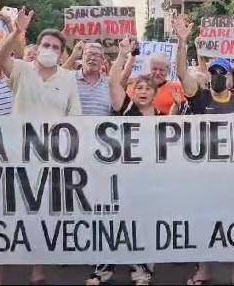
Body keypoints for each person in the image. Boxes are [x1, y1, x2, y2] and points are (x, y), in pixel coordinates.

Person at [0, 8, 81, 285]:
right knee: (6, 213)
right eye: (46, 45)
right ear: (38, 47)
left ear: (62, 53)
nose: (50, 49)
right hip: (16, 154)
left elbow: (74, 119)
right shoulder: (21, 70)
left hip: (50, 158)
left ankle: (37, 269)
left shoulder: (68, 79)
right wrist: (17, 31)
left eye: (56, 47)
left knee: (41, 214)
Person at [171, 15, 234, 285]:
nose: (216, 76)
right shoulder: (200, 98)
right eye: (213, 72)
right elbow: (181, 73)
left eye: (222, 72)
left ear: (231, 78)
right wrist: (182, 42)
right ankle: (204, 269)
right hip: (204, 172)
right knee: (204, 221)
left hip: (233, 173)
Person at [86, 37, 156, 286]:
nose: (143, 92)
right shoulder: (126, 110)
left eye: (148, 88)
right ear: (133, 93)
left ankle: (142, 269)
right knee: (111, 219)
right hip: (119, 177)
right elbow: (114, 81)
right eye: (139, 88)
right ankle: (103, 267)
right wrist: (124, 54)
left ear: (154, 93)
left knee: (143, 223)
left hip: (148, 179)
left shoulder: (165, 119)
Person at [73, 41, 114, 115]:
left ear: (102, 61)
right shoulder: (69, 78)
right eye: (89, 54)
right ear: (82, 57)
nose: (92, 58)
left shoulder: (110, 84)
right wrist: (73, 56)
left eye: (97, 55)